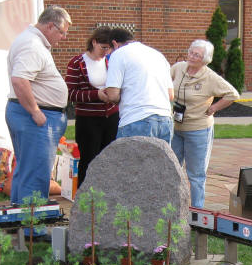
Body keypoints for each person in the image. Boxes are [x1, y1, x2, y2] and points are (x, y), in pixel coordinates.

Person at [6, 5, 71, 204]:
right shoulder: (32, 45)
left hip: (31, 114)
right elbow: (19, 80)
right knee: (36, 172)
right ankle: (32, 220)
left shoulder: (31, 41)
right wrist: (34, 111)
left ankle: (20, 215)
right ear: (50, 26)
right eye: (62, 32)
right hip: (35, 116)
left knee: (27, 169)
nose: (64, 37)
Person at [169, 39, 238, 207]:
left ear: (205, 59)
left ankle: (197, 212)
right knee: (172, 169)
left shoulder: (210, 77)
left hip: (198, 130)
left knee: (196, 174)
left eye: (197, 55)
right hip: (177, 127)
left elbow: (232, 94)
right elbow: (166, 82)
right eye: (191, 52)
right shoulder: (178, 68)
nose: (192, 57)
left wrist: (214, 107)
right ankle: (173, 207)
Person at [65, 26, 118, 187]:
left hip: (111, 117)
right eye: (103, 47)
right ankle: (85, 197)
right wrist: (96, 95)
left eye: (109, 48)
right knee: (88, 160)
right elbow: (71, 93)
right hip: (88, 120)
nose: (106, 52)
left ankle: (106, 194)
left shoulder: (111, 61)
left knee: (110, 160)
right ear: (94, 42)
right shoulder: (77, 63)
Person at [101, 28, 174, 143]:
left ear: (114, 44)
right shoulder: (158, 55)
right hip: (165, 119)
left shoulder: (118, 54)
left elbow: (113, 95)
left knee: (130, 155)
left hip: (136, 119)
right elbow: (170, 95)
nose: (108, 53)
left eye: (109, 50)